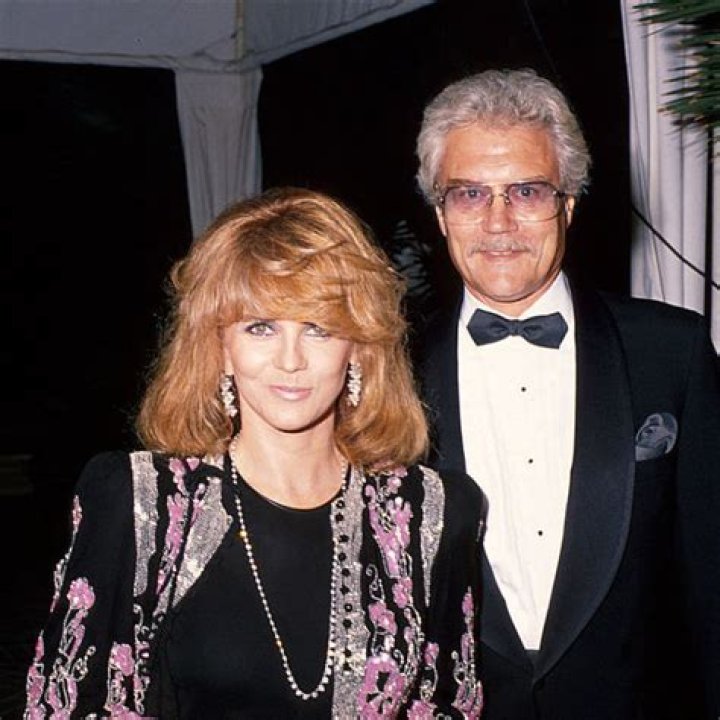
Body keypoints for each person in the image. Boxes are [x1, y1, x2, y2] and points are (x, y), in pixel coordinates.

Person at [24, 187, 486, 718]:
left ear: (359, 347)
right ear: (220, 346)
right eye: (260, 327)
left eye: (318, 328)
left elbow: (448, 705)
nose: (290, 360)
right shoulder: (141, 505)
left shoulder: (430, 515)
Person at [415, 68, 720, 719]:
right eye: (469, 194)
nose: (498, 222)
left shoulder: (672, 352)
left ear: (569, 203)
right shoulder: (390, 372)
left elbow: (713, 581)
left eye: (527, 191)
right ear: (441, 214)